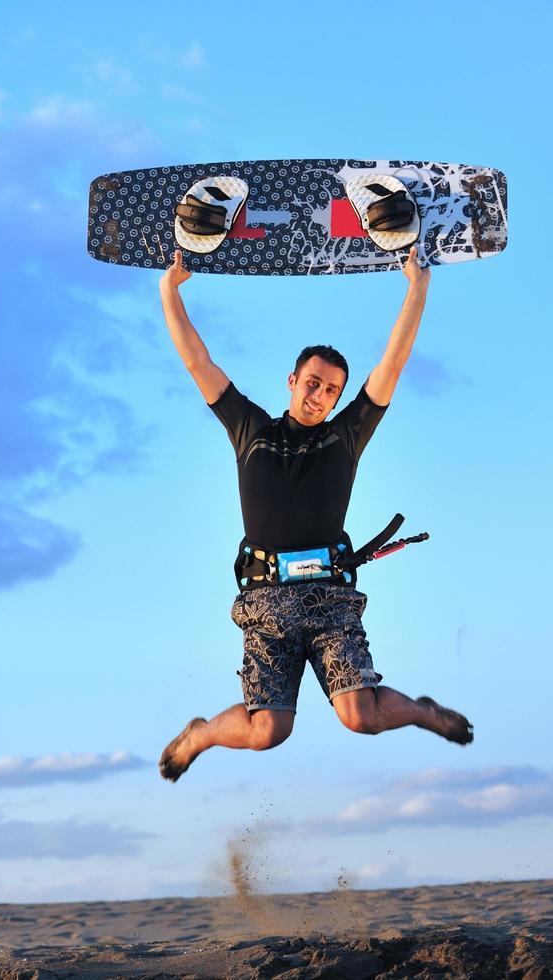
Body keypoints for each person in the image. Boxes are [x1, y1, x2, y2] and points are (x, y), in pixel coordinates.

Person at [157, 245, 473, 783]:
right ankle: (201, 734)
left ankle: (421, 711)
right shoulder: (251, 430)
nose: (319, 395)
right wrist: (170, 290)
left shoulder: (346, 436)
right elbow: (198, 362)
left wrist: (417, 286)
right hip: (265, 600)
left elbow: (392, 362)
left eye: (331, 390)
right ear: (292, 380)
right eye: (312, 383)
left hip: (330, 597)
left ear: (338, 397)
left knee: (360, 716)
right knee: (268, 731)